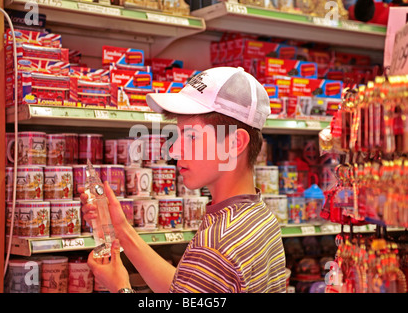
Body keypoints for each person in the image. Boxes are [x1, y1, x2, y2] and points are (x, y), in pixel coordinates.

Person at [80, 67, 287, 293]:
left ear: (235, 143)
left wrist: (120, 287)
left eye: (191, 136)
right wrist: (121, 229)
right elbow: (189, 287)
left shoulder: (216, 247)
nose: (175, 150)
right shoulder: (259, 216)